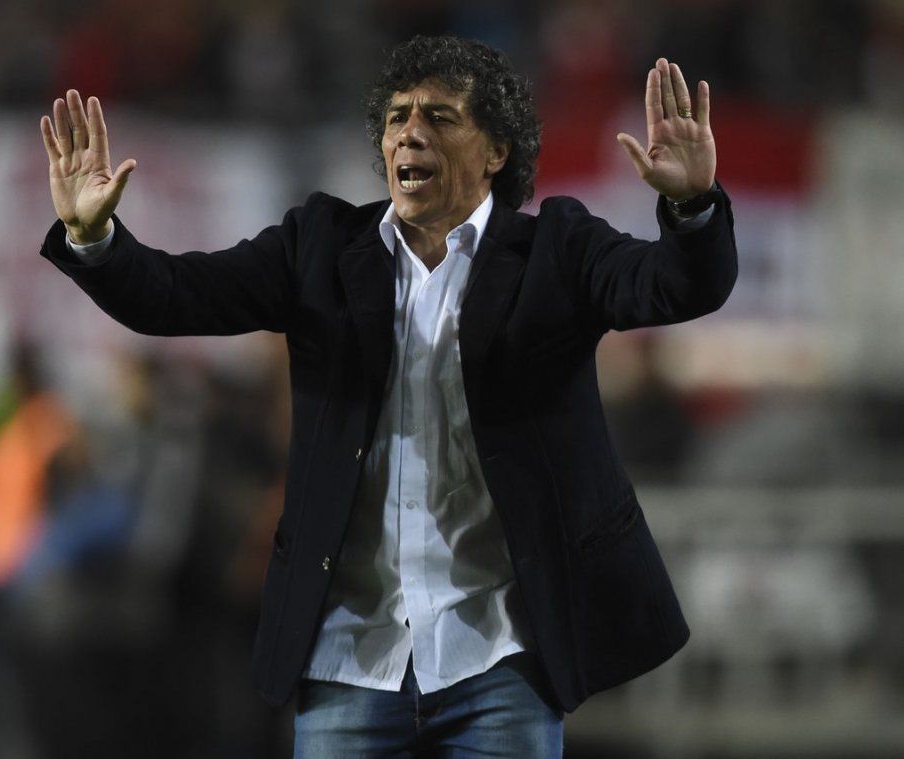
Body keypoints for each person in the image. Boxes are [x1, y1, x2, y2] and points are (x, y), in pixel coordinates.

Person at [37, 35, 736, 758]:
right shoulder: (318, 247)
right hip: (351, 659)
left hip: (501, 656)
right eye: (397, 116)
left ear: (496, 151)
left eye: (440, 116)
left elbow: (674, 286)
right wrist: (95, 237)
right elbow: (177, 296)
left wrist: (691, 207)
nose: (410, 132)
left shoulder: (556, 251)